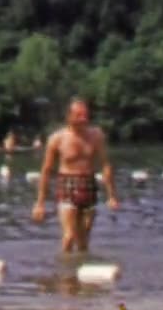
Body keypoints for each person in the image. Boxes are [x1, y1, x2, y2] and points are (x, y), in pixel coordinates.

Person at [32, 98, 119, 253]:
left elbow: (105, 164)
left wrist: (111, 196)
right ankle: (65, 274)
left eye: (85, 115)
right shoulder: (57, 139)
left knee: (84, 238)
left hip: (89, 184)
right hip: (67, 184)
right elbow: (46, 171)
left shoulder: (96, 135)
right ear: (69, 117)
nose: (83, 119)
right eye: (79, 115)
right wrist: (40, 203)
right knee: (69, 236)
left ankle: (80, 272)